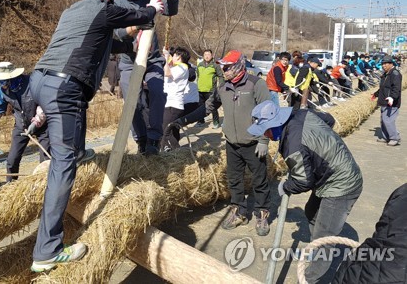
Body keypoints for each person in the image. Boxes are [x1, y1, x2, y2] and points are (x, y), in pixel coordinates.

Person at [27, 0, 163, 272]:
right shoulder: (102, 10)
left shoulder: (71, 13)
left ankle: (75, 151)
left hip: (40, 81)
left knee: (73, 136)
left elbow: (111, 43)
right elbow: (140, 16)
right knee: (63, 166)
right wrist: (154, 10)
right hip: (63, 86)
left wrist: (131, 44)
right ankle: (47, 250)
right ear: (106, 0)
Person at [248, 100, 363, 283]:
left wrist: (285, 186)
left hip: (341, 184)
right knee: (311, 211)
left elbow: (303, 181)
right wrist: (321, 148)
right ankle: (316, 249)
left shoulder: (293, 143)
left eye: (266, 129)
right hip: (328, 175)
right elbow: (330, 120)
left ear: (276, 124)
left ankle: (309, 278)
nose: (265, 134)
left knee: (323, 235)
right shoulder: (302, 114)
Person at [169, 50, 272, 236]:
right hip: (232, 143)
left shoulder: (256, 84)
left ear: (239, 66)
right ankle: (239, 212)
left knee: (259, 180)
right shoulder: (223, 87)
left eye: (227, 67)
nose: (223, 70)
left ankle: (262, 213)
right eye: (222, 66)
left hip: (254, 143)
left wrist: (264, 140)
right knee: (234, 179)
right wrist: (183, 121)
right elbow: (206, 109)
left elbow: (268, 113)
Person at [114, 0, 179, 155]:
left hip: (153, 60)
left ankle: (154, 136)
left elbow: (172, 10)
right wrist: (137, 26)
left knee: (158, 91)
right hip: (128, 62)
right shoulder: (118, 5)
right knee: (131, 100)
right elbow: (117, 33)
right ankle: (141, 139)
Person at [332, 183, 407, 284]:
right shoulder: (402, 192)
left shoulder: (403, 190)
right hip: (368, 268)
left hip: (360, 269)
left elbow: (382, 228)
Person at [161, 47, 190, 152]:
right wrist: (167, 56)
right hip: (169, 103)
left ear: (179, 57)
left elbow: (168, 73)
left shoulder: (183, 68)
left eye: (174, 55)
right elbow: (167, 67)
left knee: (165, 129)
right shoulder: (176, 67)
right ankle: (168, 149)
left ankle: (178, 151)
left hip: (175, 104)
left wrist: (167, 56)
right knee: (171, 130)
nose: (172, 57)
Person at [371, 55, 402, 146]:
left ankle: (394, 138)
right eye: (383, 64)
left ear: (391, 64)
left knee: (388, 120)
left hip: (391, 102)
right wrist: (376, 94)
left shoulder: (395, 74)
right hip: (384, 101)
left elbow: (396, 88)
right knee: (383, 120)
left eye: (386, 64)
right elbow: (383, 87)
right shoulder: (386, 74)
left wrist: (392, 97)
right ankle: (386, 137)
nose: (384, 66)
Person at [196, 49, 224, 127]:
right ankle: (200, 121)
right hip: (200, 89)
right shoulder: (200, 65)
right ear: (203, 56)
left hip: (211, 90)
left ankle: (216, 121)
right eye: (205, 54)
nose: (207, 56)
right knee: (200, 106)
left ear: (212, 56)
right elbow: (198, 75)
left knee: (212, 107)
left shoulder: (215, 65)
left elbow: (221, 76)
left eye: (208, 54)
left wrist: (221, 86)